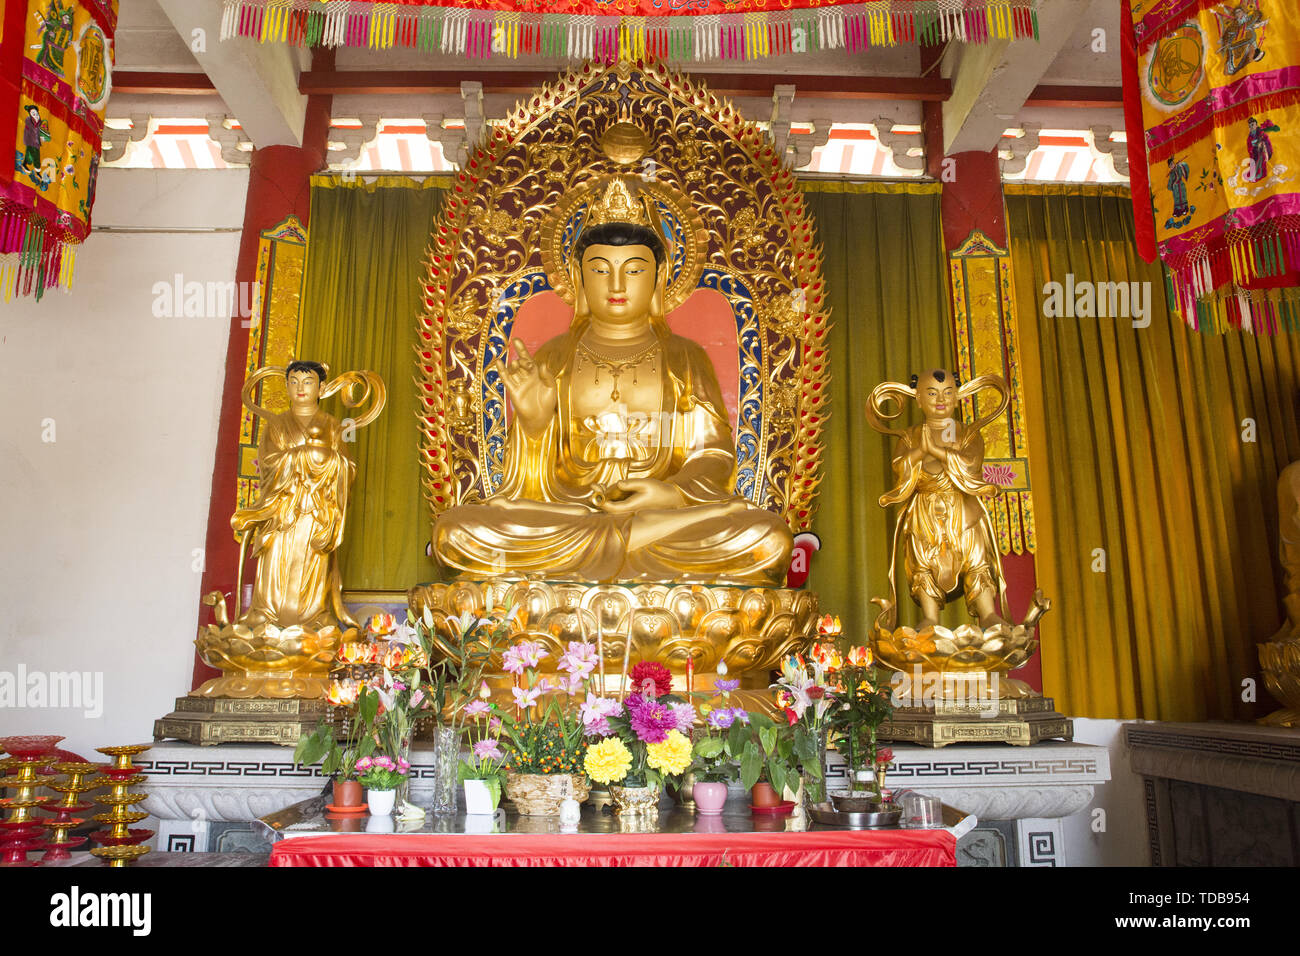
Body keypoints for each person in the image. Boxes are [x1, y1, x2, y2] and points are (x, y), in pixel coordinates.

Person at [432, 178, 792, 585]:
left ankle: (618, 550)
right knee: (456, 532)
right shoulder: (554, 356)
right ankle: (623, 550)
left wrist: (670, 494)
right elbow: (526, 490)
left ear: (659, 278)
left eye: (634, 270)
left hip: (663, 520)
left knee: (767, 537)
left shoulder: (685, 358)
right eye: (600, 270)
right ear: (579, 278)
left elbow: (714, 457)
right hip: (571, 517)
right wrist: (533, 426)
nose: (617, 285)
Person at [232, 360, 358, 631]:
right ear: (287, 387)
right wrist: (304, 458)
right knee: (275, 563)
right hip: (283, 511)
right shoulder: (277, 425)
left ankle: (312, 617)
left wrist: (328, 463)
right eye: (294, 382)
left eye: (308, 382)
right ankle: (267, 614)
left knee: (312, 566)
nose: (301, 388)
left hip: (316, 513)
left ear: (321, 388)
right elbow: (267, 465)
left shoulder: (333, 426)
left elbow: (349, 469)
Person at [878, 369, 1007, 629]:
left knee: (976, 559)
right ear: (919, 399)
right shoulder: (909, 436)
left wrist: (936, 451)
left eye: (948, 393)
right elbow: (899, 468)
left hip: (962, 508)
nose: (941, 399)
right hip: (924, 508)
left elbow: (971, 465)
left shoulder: (968, 433)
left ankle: (987, 612)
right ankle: (929, 616)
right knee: (921, 563)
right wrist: (919, 452)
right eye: (932, 393)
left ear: (958, 398)